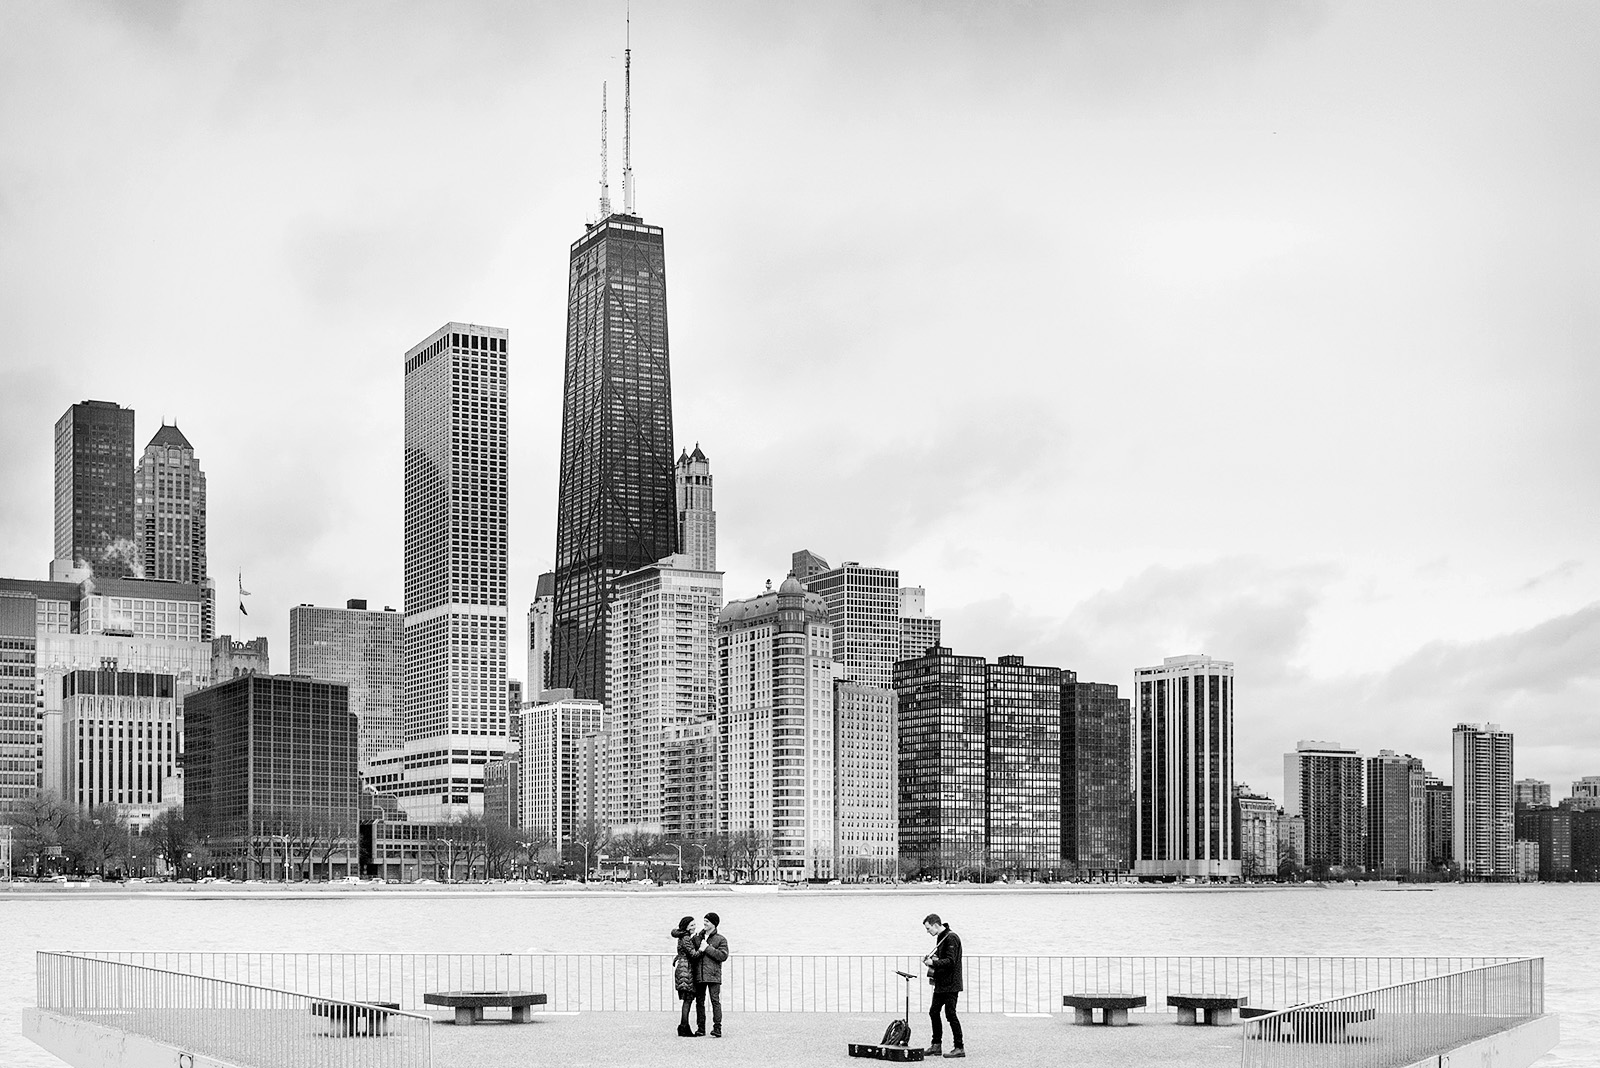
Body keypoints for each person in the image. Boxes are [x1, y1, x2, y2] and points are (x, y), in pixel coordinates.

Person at [921, 913, 964, 1058]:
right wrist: (933, 959)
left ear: (935, 925)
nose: (928, 932)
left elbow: (951, 961)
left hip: (951, 983)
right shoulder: (941, 937)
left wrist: (933, 963)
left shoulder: (951, 937)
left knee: (950, 1014)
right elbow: (943, 958)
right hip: (941, 982)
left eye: (928, 929)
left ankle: (959, 1047)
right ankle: (936, 1045)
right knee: (934, 1011)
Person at [691, 911, 729, 1037]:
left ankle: (717, 1028)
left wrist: (707, 948)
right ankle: (701, 1028)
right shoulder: (697, 937)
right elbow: (690, 951)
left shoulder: (721, 939)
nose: (704, 923)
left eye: (707, 921)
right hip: (699, 974)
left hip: (713, 975)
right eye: (704, 921)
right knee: (699, 1002)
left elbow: (723, 956)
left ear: (713, 924)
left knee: (715, 1001)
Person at [671, 915, 703, 1037]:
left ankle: (683, 1026)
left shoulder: (682, 937)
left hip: (682, 969)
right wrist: (702, 949)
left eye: (695, 924)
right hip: (686, 971)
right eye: (692, 925)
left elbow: (682, 952)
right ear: (686, 927)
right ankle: (684, 1027)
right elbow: (693, 954)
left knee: (687, 1000)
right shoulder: (685, 938)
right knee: (687, 1000)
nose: (694, 927)